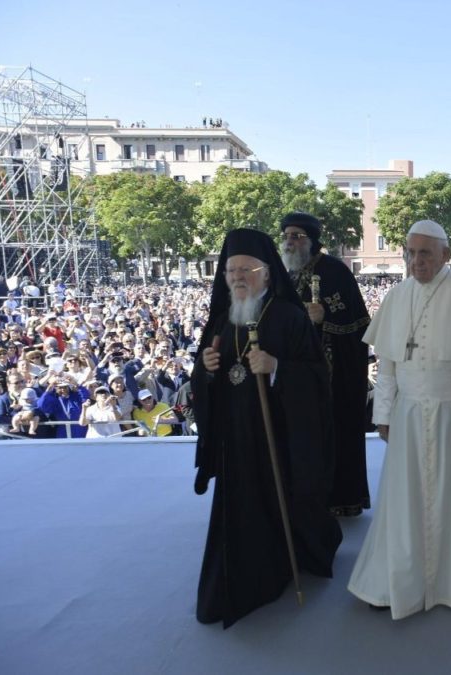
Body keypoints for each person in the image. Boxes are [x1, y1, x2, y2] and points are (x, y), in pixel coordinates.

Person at [348, 220, 451, 620]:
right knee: (406, 501)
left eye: (425, 253)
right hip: (408, 416)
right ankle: (398, 578)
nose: (416, 260)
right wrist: (383, 414)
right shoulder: (395, 297)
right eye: (410, 252)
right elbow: (385, 364)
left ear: (445, 255)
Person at [192, 227, 342, 628]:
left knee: (281, 504)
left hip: (280, 441)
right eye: (230, 271)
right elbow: (205, 380)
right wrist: (205, 371)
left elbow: (317, 380)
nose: (238, 277)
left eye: (246, 269)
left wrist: (277, 369)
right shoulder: (222, 321)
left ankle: (284, 560)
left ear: (267, 273)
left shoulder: (289, 318)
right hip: (235, 441)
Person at [280, 211, 372, 517]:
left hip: (333, 375)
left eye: (296, 236)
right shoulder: (287, 274)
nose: (289, 242)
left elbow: (359, 325)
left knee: (335, 435)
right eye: (287, 236)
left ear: (311, 239)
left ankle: (341, 499)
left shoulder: (334, 271)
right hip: (295, 374)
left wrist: (326, 319)